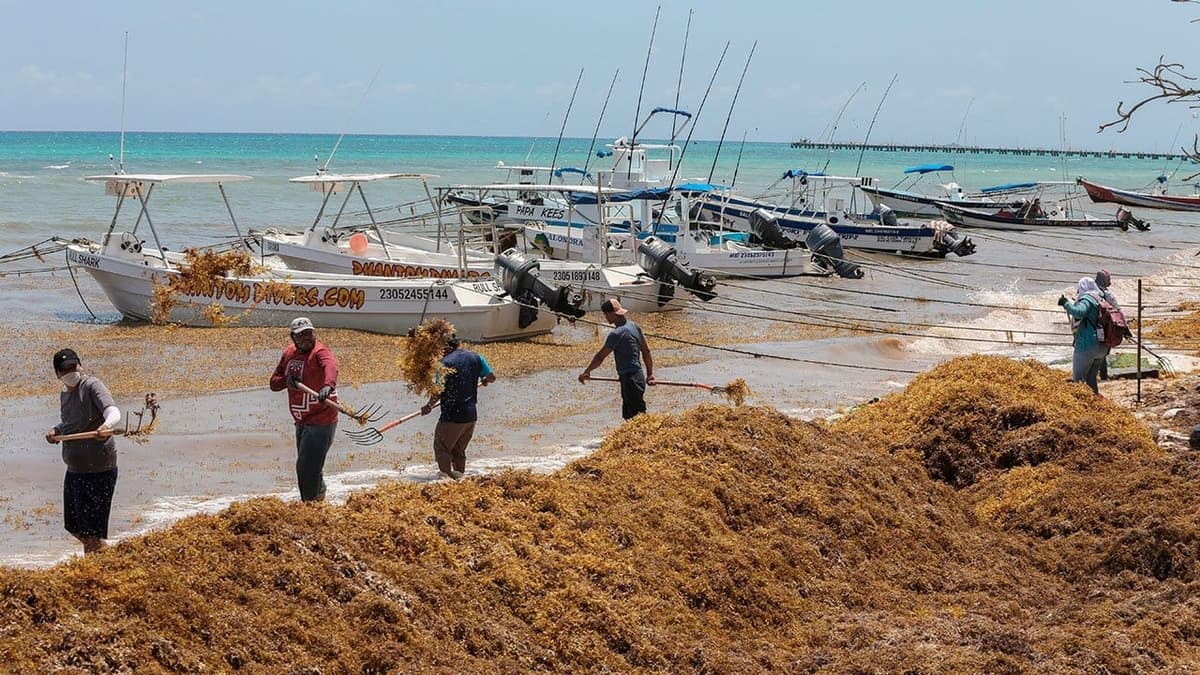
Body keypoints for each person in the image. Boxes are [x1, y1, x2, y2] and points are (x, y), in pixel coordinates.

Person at [44, 348, 121, 555]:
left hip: (98, 471)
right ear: (58, 374)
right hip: (75, 470)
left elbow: (113, 412)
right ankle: (107, 556)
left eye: (73, 366)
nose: (71, 371)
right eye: (65, 369)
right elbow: (71, 423)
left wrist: (105, 426)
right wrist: (57, 430)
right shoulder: (64, 394)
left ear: (80, 365)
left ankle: (95, 573)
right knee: (75, 528)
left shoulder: (92, 386)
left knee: (91, 534)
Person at [269, 317, 339, 502]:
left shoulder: (320, 352)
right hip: (301, 420)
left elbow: (330, 367)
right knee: (312, 466)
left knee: (306, 468)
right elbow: (273, 384)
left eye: (309, 333)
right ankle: (319, 502)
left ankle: (309, 508)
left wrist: (327, 386)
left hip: (321, 419)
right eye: (301, 335)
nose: (307, 338)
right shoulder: (289, 354)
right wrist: (286, 381)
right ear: (293, 338)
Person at [421, 334, 496, 480]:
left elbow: (437, 391)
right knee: (459, 450)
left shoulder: (442, 364)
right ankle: (460, 479)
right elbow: (492, 377)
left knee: (442, 447)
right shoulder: (476, 357)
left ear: (446, 347)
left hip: (452, 416)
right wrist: (484, 379)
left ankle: (444, 480)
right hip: (470, 415)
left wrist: (428, 406)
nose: (438, 353)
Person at [578, 298, 656, 419]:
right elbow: (646, 351)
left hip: (629, 379)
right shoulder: (634, 326)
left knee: (633, 416)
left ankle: (641, 437)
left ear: (612, 314)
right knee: (635, 414)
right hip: (638, 376)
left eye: (605, 314)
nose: (605, 317)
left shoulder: (616, 334)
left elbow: (600, 357)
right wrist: (649, 374)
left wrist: (587, 372)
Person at [1058, 277, 1108, 395]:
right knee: (1091, 380)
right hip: (1102, 345)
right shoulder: (1100, 297)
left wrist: (1066, 304)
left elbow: (1079, 312)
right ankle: (1095, 405)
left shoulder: (1087, 299)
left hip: (1088, 344)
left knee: (1078, 380)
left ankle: (1083, 407)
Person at [1095, 269, 1122, 380]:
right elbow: (1118, 310)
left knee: (1094, 351)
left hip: (1092, 326)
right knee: (1104, 351)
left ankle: (1096, 374)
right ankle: (1103, 376)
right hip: (1106, 327)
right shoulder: (1108, 295)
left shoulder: (1089, 292)